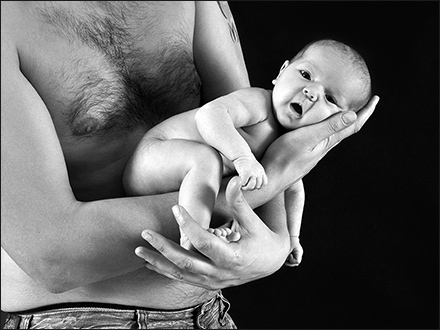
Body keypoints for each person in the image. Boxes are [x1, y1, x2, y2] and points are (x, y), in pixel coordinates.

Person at [1, 1, 379, 329]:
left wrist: (276, 247)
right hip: (73, 318)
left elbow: (252, 140)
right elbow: (52, 256)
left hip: (207, 312)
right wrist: (275, 177)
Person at [123, 39, 372, 266]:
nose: (312, 92)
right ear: (281, 72)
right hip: (153, 156)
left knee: (237, 209)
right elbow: (210, 115)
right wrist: (242, 157)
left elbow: (292, 188)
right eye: (305, 74)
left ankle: (216, 233)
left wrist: (293, 237)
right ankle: (193, 240)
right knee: (206, 159)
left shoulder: (288, 144)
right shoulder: (259, 103)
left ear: (338, 119)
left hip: (173, 189)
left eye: (330, 98)